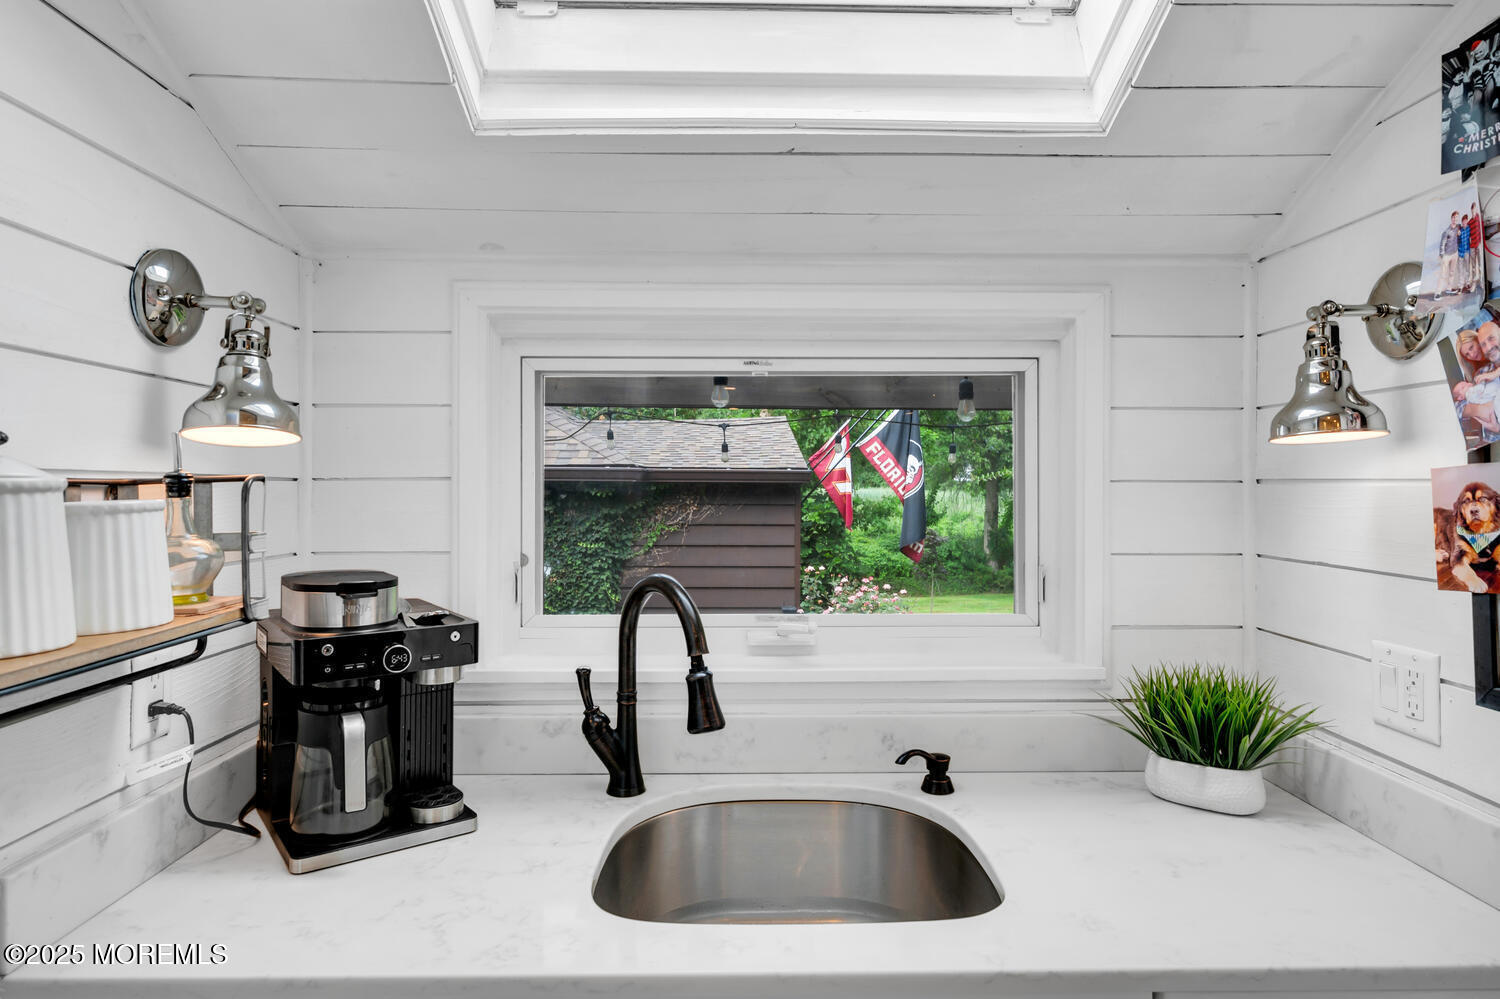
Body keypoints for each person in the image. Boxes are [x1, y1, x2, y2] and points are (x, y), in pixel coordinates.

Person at [1440, 211, 1463, 295]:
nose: (1455, 219)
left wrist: (1459, 234)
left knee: (1452, 272)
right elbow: (1442, 243)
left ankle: (1449, 288)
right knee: (1443, 273)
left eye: (1457, 217)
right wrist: (1442, 255)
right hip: (1447, 254)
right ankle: (1438, 292)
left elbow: (1460, 236)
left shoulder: (1458, 227)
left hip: (1455, 253)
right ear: (1451, 218)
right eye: (1454, 217)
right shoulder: (1447, 231)